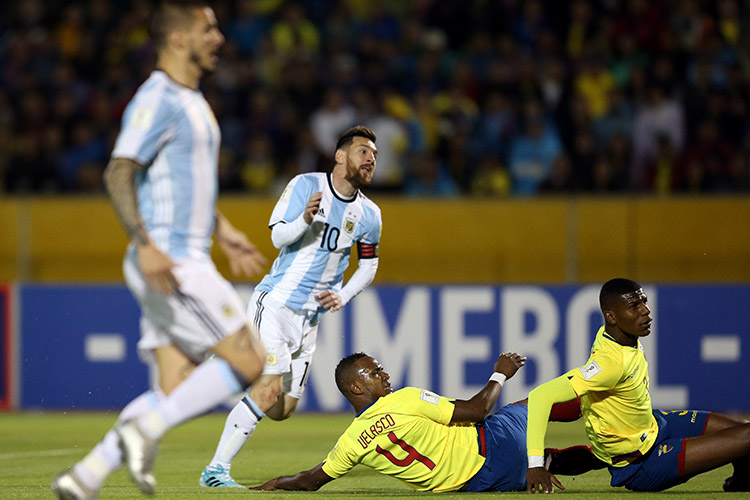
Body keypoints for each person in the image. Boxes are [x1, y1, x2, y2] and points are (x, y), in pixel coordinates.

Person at [51, 2, 268, 498]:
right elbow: (118, 170)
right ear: (176, 38)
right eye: (207, 29)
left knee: (172, 386)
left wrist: (222, 226)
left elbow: (176, 181)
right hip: (172, 261)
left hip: (181, 253)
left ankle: (84, 478)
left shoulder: (192, 100)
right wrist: (145, 246)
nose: (219, 38)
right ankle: (140, 433)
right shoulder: (159, 97)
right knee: (251, 362)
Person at [200, 125, 383, 488]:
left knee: (283, 408)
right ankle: (215, 471)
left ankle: (233, 360)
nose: (370, 159)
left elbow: (369, 264)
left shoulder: (370, 214)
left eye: (374, 156)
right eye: (363, 151)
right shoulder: (306, 185)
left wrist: (343, 295)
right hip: (279, 303)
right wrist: (303, 220)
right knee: (268, 390)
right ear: (340, 155)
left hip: (309, 320)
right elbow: (277, 236)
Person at [250, 352, 602, 493]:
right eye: (374, 372)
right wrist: (501, 372)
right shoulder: (402, 399)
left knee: (551, 460)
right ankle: (610, 430)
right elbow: (479, 409)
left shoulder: (352, 441)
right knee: (537, 402)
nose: (384, 373)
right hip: (491, 446)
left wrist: (270, 485)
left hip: (479, 484)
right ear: (356, 386)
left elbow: (310, 481)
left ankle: (565, 459)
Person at [526, 278, 750, 493]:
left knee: (743, 428)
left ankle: (742, 482)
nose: (645, 310)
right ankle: (549, 461)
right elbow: (541, 396)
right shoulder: (610, 363)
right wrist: (535, 464)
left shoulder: (618, 335)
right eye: (634, 306)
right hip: (642, 463)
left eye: (644, 301)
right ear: (611, 316)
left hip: (655, 424)